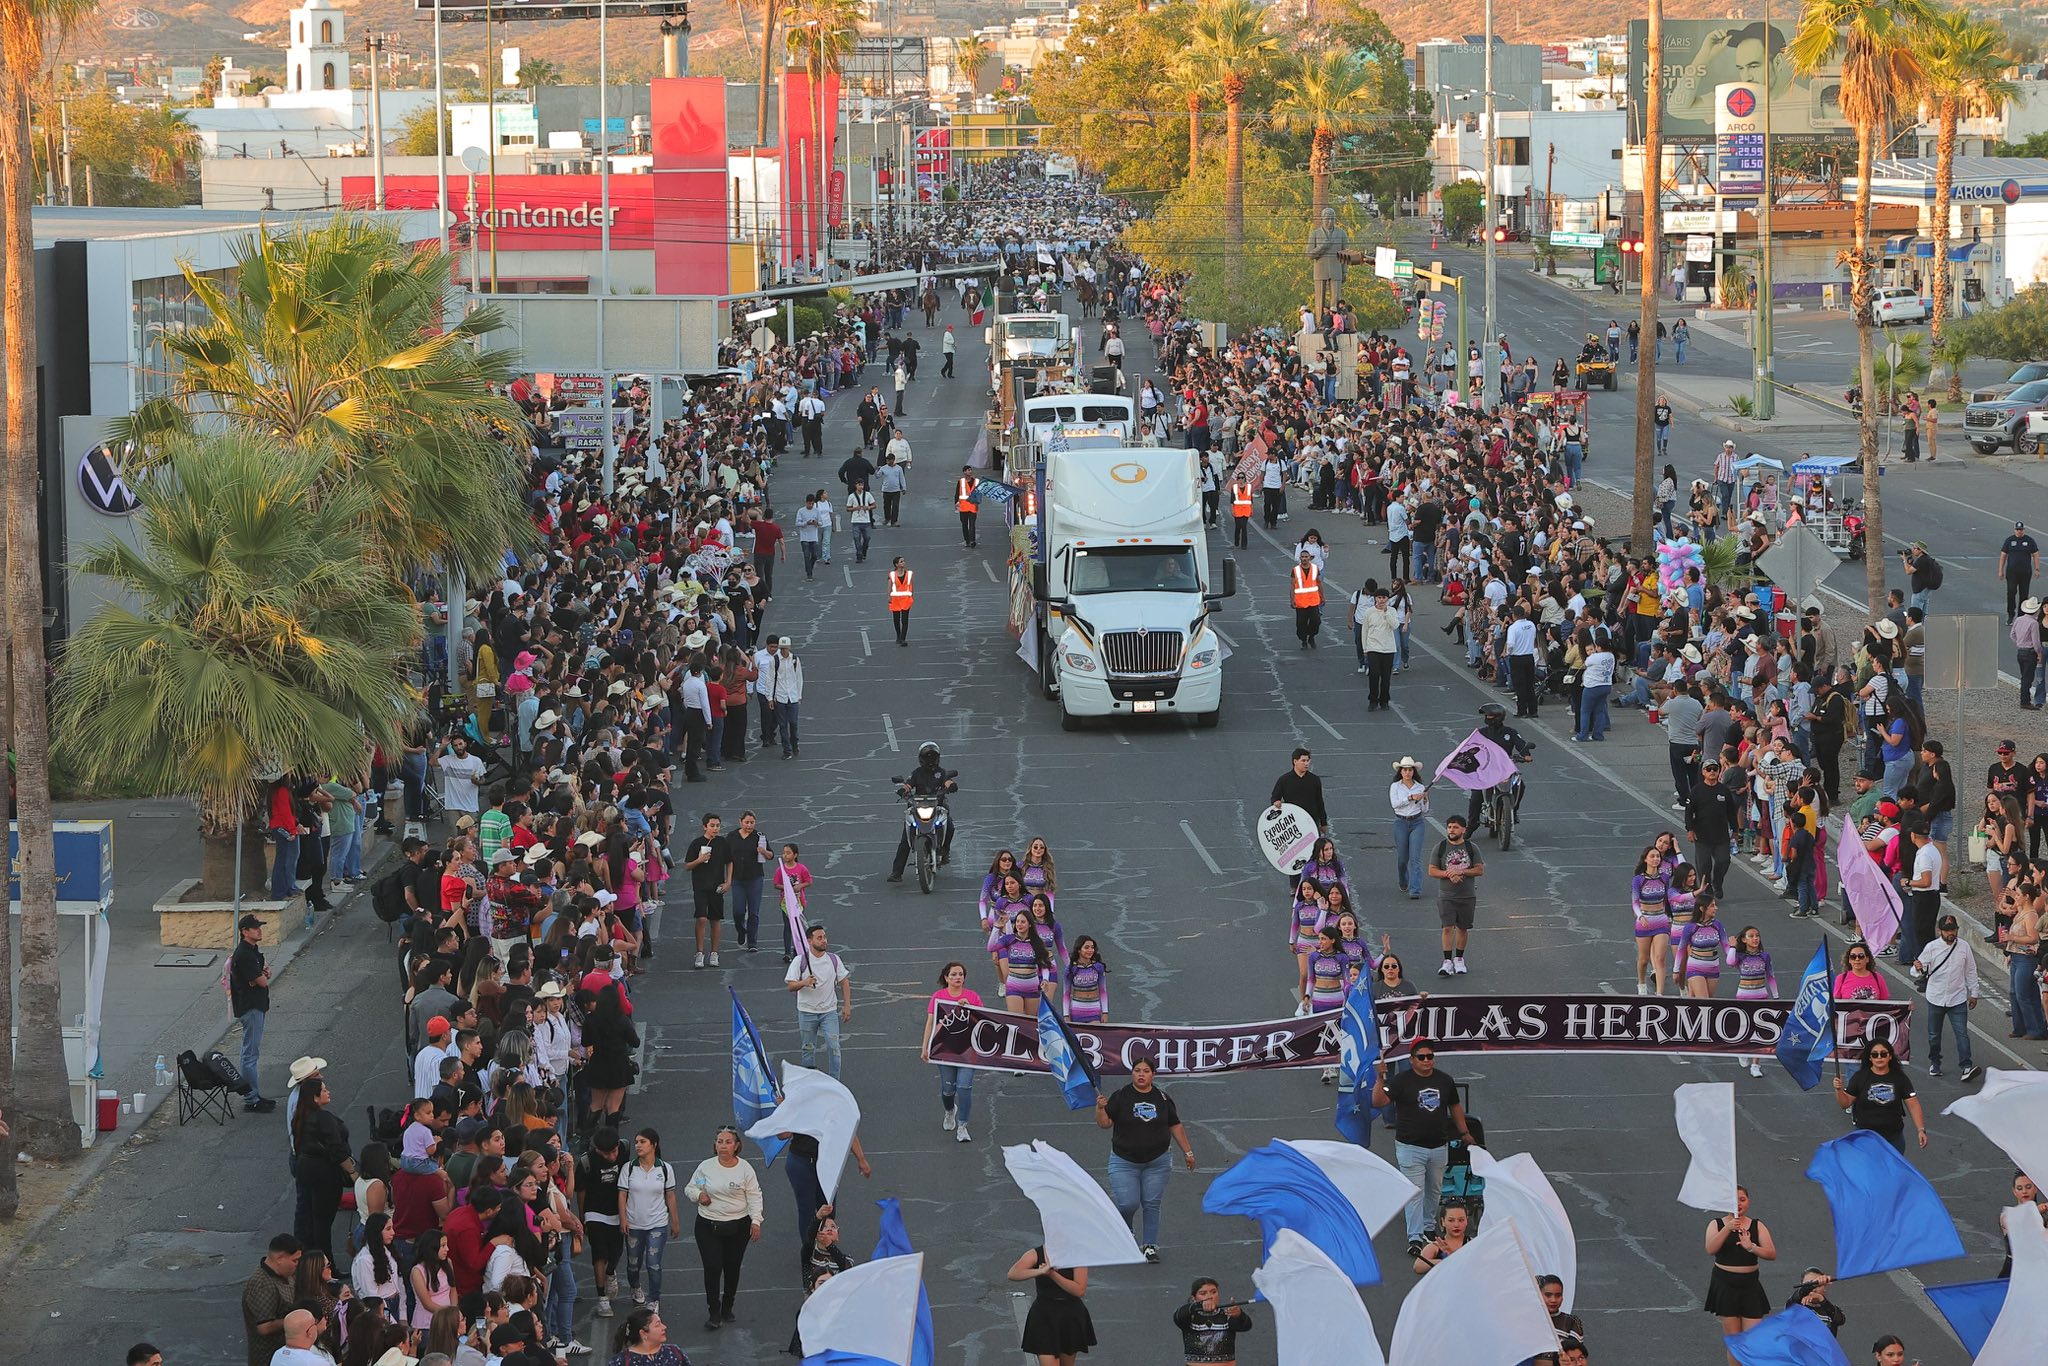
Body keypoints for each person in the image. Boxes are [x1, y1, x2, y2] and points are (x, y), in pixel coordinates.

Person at [1371, 1038, 1472, 1256]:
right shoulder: (1400, 1081)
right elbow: (1378, 1102)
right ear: (1412, 1060)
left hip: (1438, 1146)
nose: (1427, 1061)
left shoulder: (1445, 1080)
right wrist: (1380, 1078)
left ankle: (1429, 1227)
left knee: (1434, 1190)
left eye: (1430, 1056)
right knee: (1414, 1193)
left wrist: (1465, 1133)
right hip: (1410, 1147)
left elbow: (1454, 1106)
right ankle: (1415, 1237)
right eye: (1422, 1057)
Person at [1096, 1058, 1195, 1262]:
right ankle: (1126, 1233)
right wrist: (1100, 1108)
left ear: (1153, 1075)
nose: (1141, 1074)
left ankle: (1149, 1246)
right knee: (1127, 1203)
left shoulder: (1162, 1098)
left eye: (1146, 1071)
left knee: (1151, 1203)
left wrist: (1188, 1152)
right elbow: (1105, 1124)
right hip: (1124, 1161)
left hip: (1157, 1161)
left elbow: (1175, 1125)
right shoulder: (1121, 1096)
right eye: (1137, 1070)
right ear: (1132, 1073)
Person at [687, 1125, 762, 1332]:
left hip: (738, 1226)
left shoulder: (745, 1169)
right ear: (715, 1145)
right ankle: (714, 1311)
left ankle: (728, 1305)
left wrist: (756, 1221)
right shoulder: (706, 1167)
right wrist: (698, 1195)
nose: (723, 1146)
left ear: (737, 1146)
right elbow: (691, 1187)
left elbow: (754, 1196)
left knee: (732, 1266)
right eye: (720, 1142)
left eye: (728, 1142)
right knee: (712, 1266)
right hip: (708, 1225)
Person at [1703, 1187, 1777, 1341]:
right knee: (1735, 1340)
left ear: (1748, 1202)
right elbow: (1710, 1249)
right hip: (1725, 1284)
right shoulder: (1716, 1224)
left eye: (1742, 1200)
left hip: (1750, 1284)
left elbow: (1771, 1254)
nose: (1738, 1204)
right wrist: (1727, 1228)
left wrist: (1751, 1247)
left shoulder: (1757, 1225)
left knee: (1753, 1339)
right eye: (1733, 1201)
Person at [620, 1129, 681, 1314]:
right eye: (636, 1141)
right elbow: (622, 1195)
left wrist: (675, 1221)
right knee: (633, 1263)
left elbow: (670, 1196)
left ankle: (654, 1298)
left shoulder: (665, 1168)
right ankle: (636, 1286)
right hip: (634, 1224)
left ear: (653, 1144)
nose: (638, 1145)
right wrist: (623, 1219)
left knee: (653, 1263)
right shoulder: (629, 1168)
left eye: (643, 1141)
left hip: (657, 1223)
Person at [921, 962, 983, 1142]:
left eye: (961, 974)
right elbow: (931, 1023)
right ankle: (950, 1111)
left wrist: (968, 1008)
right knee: (948, 1089)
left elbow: (983, 1021)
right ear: (946, 978)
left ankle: (962, 1126)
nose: (958, 977)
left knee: (964, 1087)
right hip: (945, 1050)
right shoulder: (938, 996)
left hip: (968, 1050)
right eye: (954, 974)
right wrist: (925, 1046)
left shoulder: (972, 996)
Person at [1914, 914, 1978, 1081]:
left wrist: (1974, 993)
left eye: (1953, 930)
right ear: (1940, 931)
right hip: (1936, 998)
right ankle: (1935, 1063)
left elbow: (1970, 970)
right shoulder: (1931, 947)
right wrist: (1918, 967)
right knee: (1934, 1035)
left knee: (1962, 1034)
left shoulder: (1964, 947)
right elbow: (1917, 971)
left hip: (1957, 998)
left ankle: (1966, 1066)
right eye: (1947, 930)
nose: (1951, 933)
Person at [1833, 1040, 1927, 1152]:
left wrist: (1921, 1129)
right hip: (1865, 1139)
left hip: (1893, 1139)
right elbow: (1845, 1103)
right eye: (1874, 1054)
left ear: (1890, 1056)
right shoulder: (1860, 1077)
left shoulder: (1900, 1078)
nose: (1879, 1057)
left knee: (1892, 1170)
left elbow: (1913, 1105)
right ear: (1869, 1058)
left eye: (1883, 1054)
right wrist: (1838, 1090)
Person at [785, 924, 852, 1079]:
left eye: (824, 937)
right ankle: (810, 1083)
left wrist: (847, 1006)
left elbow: (844, 982)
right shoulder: (800, 961)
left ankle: (835, 1082)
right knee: (808, 1049)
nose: (824, 941)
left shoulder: (834, 960)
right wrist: (804, 982)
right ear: (809, 941)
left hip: (828, 1012)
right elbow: (790, 985)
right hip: (807, 1012)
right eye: (819, 938)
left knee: (834, 1047)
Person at [1010, 1246, 1096, 1366]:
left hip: (1070, 1316)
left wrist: (1053, 1275)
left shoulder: (1076, 1255)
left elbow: (1079, 1290)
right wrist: (1039, 1271)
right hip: (1044, 1316)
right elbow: (1013, 1273)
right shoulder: (1036, 1253)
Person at [890, 742, 959, 881]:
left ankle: (944, 851)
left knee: (950, 826)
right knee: (906, 837)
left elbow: (947, 781)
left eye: (933, 757)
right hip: (918, 806)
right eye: (927, 757)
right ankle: (896, 873)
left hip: (938, 806)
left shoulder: (941, 772)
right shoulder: (917, 773)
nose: (930, 760)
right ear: (921, 758)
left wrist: (951, 786)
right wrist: (904, 790)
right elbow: (908, 784)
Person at [230, 913, 277, 1112]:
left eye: (259, 927)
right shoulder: (244, 954)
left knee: (249, 1051)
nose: (259, 930)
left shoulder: (252, 950)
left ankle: (254, 1095)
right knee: (250, 1054)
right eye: (255, 928)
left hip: (256, 1004)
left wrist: (260, 975)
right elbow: (263, 980)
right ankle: (251, 1099)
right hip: (251, 1007)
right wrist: (259, 977)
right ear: (245, 932)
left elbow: (264, 973)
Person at [1427, 815, 1484, 976]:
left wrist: (1462, 871)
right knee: (1447, 927)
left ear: (1464, 830)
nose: (1451, 830)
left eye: (1455, 827)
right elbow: (1432, 870)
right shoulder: (1440, 847)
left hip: (1467, 895)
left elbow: (1480, 869)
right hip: (1446, 895)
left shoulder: (1472, 848)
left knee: (1463, 928)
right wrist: (1448, 873)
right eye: (1450, 827)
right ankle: (1446, 962)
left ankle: (1459, 959)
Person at [242, 1233, 305, 1366]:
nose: (297, 1265)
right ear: (280, 1258)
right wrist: (295, 1320)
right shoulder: (262, 1285)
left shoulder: (285, 1273)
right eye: (294, 1260)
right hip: (268, 1358)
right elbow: (264, 1327)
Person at [683, 813, 732, 970]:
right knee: (702, 918)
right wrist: (699, 859)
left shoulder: (723, 843)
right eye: (712, 825)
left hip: (717, 886)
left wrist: (728, 881)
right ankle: (699, 953)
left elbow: (729, 862)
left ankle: (714, 953)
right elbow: (687, 865)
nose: (715, 828)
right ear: (705, 826)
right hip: (700, 886)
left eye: (717, 825)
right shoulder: (697, 843)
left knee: (715, 919)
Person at [1173, 1278, 1254, 1366]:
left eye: (1213, 1292)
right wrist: (1198, 1305)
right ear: (1193, 1298)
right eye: (1203, 1293)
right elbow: (1178, 1315)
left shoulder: (1227, 1315)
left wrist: (1239, 1314)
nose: (1209, 1296)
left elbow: (1246, 1326)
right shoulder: (1190, 1317)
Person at [1390, 757, 1429, 900]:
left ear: (1413, 771)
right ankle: (1403, 879)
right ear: (1401, 772)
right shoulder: (1395, 786)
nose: (1407, 772)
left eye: (1410, 770)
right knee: (1402, 858)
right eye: (1405, 770)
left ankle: (1415, 889)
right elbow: (1395, 804)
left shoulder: (1420, 787)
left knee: (1415, 858)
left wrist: (1424, 799)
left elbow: (1425, 810)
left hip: (1417, 822)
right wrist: (1410, 797)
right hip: (1401, 822)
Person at [1269, 748, 1329, 836]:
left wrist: (1323, 823)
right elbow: (1275, 797)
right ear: (1295, 761)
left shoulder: (1314, 779)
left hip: (1311, 820)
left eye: (1308, 761)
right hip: (1292, 822)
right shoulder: (1284, 780)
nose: (1306, 763)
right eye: (1303, 761)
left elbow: (1319, 801)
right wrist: (1276, 802)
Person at [609, 1306, 690, 1366]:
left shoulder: (673, 1352)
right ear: (643, 1333)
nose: (664, 1327)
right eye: (657, 1325)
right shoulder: (622, 1361)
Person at [1785, 1269, 1847, 1337]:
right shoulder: (1795, 1306)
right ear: (1801, 1286)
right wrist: (1813, 1284)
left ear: (1824, 1288)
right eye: (1809, 1283)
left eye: (1819, 1285)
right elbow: (1796, 1296)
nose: (1814, 1289)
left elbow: (1840, 1320)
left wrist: (1821, 1298)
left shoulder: (1830, 1309)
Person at [2000, 521, 2040, 621]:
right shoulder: (2009, 540)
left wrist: (2037, 569)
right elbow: (2003, 555)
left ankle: (2021, 616)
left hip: (2025, 572)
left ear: (2024, 530)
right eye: (2017, 529)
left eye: (2021, 529)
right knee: (2011, 592)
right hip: (2012, 572)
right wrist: (2000, 570)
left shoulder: (2029, 541)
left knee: (2024, 594)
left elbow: (2035, 554)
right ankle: (2010, 615)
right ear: (2014, 530)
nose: (2019, 531)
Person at [1291, 549, 1323, 649]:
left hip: (1313, 601)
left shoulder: (1315, 568)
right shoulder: (1295, 570)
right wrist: (1292, 599)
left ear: (1310, 558)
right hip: (1300, 602)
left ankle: (1311, 637)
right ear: (1300, 558)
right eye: (1302, 557)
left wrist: (1322, 596)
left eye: (1306, 557)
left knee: (1316, 621)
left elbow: (1319, 583)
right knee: (1301, 624)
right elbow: (1292, 585)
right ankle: (1304, 640)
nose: (1304, 559)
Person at [887, 556, 915, 647]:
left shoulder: (909, 574)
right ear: (896, 564)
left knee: (904, 620)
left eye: (904, 561)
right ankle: (898, 636)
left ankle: (903, 639)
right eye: (901, 561)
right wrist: (889, 597)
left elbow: (911, 585)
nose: (904, 563)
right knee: (896, 619)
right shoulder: (892, 575)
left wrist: (911, 595)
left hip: (906, 599)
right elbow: (889, 586)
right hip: (895, 600)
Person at [956, 465, 981, 548]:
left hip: (973, 507)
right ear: (964, 472)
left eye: (970, 470)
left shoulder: (976, 481)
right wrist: (956, 504)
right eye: (968, 470)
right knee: (964, 524)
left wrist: (978, 503)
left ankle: (972, 541)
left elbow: (979, 494)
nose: (970, 471)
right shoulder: (961, 482)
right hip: (963, 507)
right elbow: (957, 494)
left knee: (972, 524)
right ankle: (967, 540)